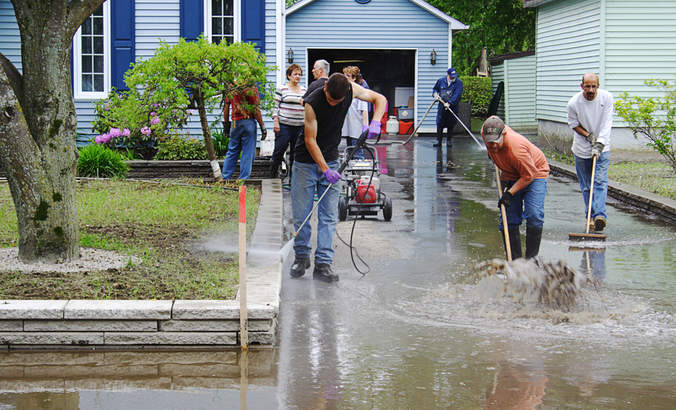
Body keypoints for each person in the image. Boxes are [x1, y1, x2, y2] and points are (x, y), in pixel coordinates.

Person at [291, 73, 387, 282]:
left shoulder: (351, 89)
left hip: (332, 158)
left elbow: (380, 99)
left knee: (329, 216)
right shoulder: (312, 102)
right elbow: (310, 140)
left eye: (338, 101)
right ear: (325, 89)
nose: (333, 103)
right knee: (302, 215)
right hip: (305, 163)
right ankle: (301, 256)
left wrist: (375, 122)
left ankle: (323, 264)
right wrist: (325, 169)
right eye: (331, 99)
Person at [481, 115, 550, 260]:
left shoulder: (516, 149)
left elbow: (528, 176)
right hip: (509, 174)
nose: (492, 146)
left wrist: (510, 193)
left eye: (495, 143)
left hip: (535, 173)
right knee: (509, 218)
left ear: (503, 135)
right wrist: (493, 154)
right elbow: (491, 144)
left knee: (534, 215)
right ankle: (515, 263)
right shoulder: (485, 133)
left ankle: (532, 261)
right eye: (489, 143)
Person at [567, 72, 613, 232]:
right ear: (582, 87)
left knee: (600, 182)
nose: (591, 89)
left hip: (602, 147)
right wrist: (588, 136)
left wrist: (599, 143)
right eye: (587, 86)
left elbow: (607, 124)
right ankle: (591, 216)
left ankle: (600, 216)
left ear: (598, 86)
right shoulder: (574, 103)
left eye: (594, 86)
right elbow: (573, 124)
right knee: (587, 186)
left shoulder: (606, 98)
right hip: (581, 149)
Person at [221, 86, 267, 180]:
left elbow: (226, 107)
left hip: (235, 123)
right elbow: (255, 110)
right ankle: (243, 180)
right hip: (248, 121)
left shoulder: (231, 88)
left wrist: (226, 125)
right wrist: (262, 126)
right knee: (247, 152)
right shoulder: (250, 88)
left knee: (232, 151)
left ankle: (225, 178)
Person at [270, 64, 306, 177]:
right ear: (289, 76)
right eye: (295, 74)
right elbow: (274, 106)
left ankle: (293, 179)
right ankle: (273, 174)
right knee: (279, 150)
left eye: (299, 74)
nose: (297, 76)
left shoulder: (304, 90)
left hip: (299, 126)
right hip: (284, 126)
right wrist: (275, 121)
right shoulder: (281, 89)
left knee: (296, 154)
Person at [341, 66, 369, 160]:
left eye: (348, 76)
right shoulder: (345, 91)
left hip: (357, 130)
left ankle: (359, 174)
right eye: (344, 76)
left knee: (357, 155)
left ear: (354, 78)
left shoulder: (360, 91)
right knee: (350, 154)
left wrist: (365, 128)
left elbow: (364, 111)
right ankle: (352, 173)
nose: (345, 78)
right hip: (348, 129)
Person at [432, 67, 463, 147]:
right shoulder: (441, 81)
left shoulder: (458, 82)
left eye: (454, 77)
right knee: (440, 123)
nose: (453, 78)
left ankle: (449, 140)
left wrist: (450, 103)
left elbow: (457, 94)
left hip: (452, 106)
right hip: (442, 106)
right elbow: (435, 89)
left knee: (451, 123)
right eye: (451, 76)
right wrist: (435, 94)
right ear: (447, 74)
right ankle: (439, 141)